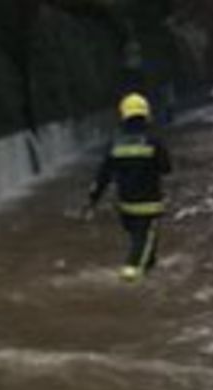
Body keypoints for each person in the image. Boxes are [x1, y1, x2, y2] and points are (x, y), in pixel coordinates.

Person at [88, 93, 172, 283]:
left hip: (125, 208)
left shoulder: (115, 143)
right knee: (139, 255)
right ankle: (130, 277)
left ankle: (147, 272)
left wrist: (93, 199)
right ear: (146, 115)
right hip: (149, 207)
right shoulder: (154, 141)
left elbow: (103, 176)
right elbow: (167, 168)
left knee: (142, 246)